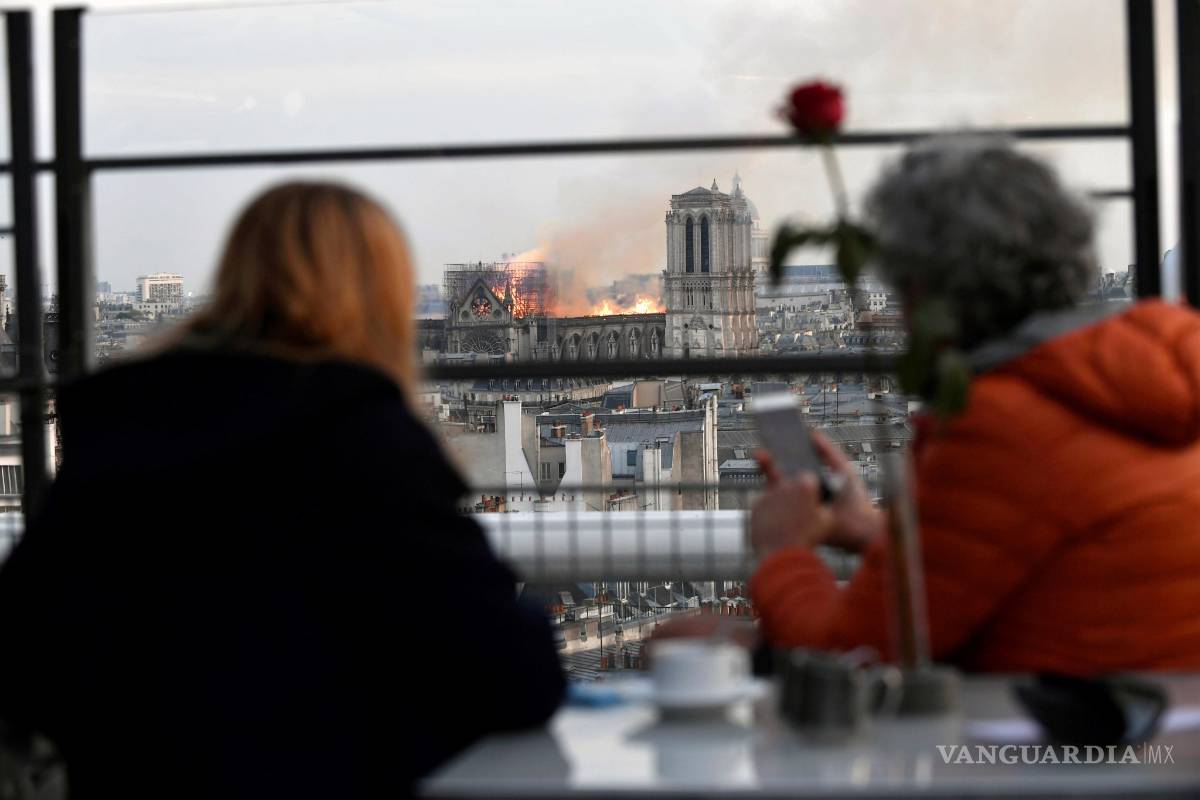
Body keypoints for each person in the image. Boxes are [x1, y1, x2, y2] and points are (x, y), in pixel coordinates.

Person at [0, 182, 565, 798]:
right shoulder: (365, 432)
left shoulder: (121, 419)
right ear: (380, 291)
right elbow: (513, 671)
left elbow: (30, 642)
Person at [750, 137, 1200, 674]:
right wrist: (876, 531)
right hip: (1164, 719)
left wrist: (782, 551)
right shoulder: (1148, 372)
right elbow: (1055, 556)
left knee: (693, 640)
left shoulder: (999, 423)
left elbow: (854, 652)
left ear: (927, 288)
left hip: (1074, 742)